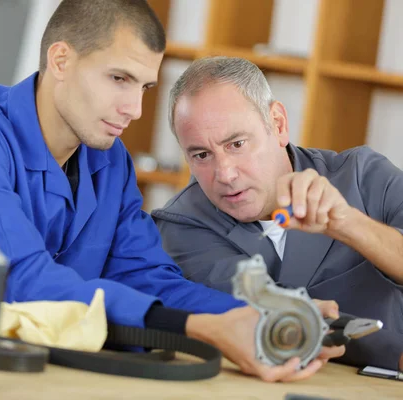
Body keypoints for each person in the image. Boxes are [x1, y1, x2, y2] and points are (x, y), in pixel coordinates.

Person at [0, 0, 343, 381]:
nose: (134, 108)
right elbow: (20, 280)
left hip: (29, 372)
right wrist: (204, 329)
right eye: (119, 79)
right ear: (61, 59)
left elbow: (149, 278)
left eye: (145, 87)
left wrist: (267, 313)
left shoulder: (109, 161)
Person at [152, 56, 403, 372]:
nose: (225, 173)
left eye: (237, 144)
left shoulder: (364, 176)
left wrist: (349, 223)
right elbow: (265, 315)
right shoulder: (180, 226)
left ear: (278, 124)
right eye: (202, 155)